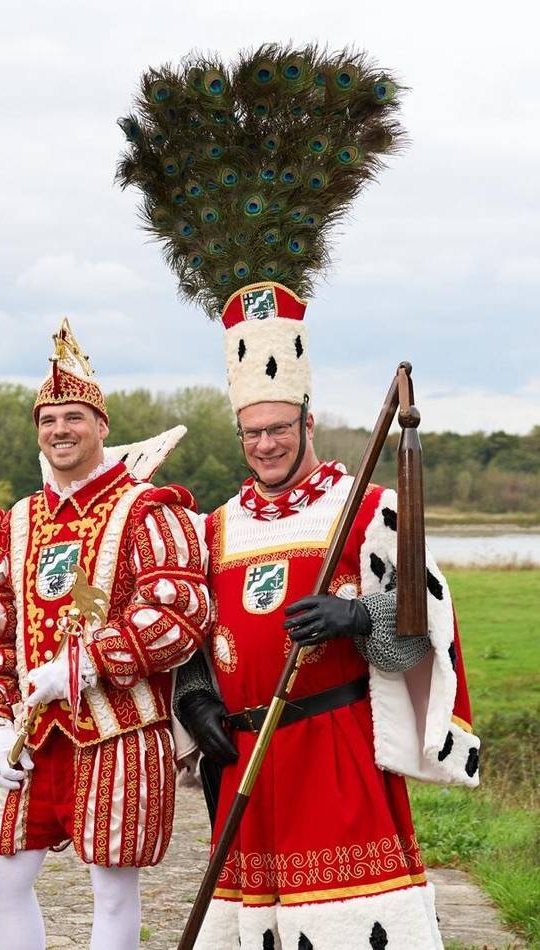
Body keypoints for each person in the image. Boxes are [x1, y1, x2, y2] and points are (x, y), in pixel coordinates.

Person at [172, 281, 480, 948]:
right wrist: (195, 698)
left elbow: (427, 625)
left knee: (343, 926)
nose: (265, 444)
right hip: (245, 761)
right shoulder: (213, 528)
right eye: (252, 432)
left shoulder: (367, 510)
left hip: (334, 754)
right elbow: (191, 634)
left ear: (307, 423)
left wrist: (359, 618)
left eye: (279, 428)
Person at [0, 319, 211, 950]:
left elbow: (178, 612)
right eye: (47, 420)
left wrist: (85, 663)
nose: (59, 431)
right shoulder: (19, 520)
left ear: (102, 426)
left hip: (118, 728)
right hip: (32, 731)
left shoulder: (148, 508)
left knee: (111, 886)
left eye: (74, 417)